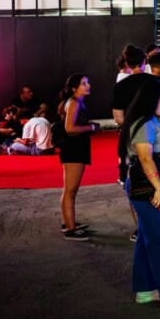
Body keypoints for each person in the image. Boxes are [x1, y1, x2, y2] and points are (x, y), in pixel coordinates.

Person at [119, 79, 160, 313]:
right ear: (152, 99)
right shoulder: (144, 123)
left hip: (153, 188)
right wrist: (159, 188)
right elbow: (145, 158)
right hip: (147, 190)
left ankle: (145, 289)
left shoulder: (155, 121)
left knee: (147, 240)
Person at [58, 74, 101, 241]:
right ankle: (70, 229)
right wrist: (91, 127)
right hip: (73, 149)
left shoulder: (76, 102)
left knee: (69, 189)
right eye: (84, 83)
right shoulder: (74, 102)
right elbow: (69, 128)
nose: (88, 85)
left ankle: (68, 222)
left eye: (87, 82)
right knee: (70, 190)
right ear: (74, 88)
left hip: (75, 148)